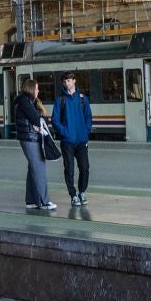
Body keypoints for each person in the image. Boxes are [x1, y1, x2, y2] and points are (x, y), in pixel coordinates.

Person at [51, 72, 93, 206]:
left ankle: (82, 191)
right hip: (67, 141)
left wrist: (85, 132)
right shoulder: (60, 100)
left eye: (69, 81)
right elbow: (55, 120)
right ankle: (73, 195)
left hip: (81, 140)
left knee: (85, 167)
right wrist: (65, 133)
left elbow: (88, 117)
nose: (66, 83)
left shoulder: (83, 99)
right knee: (69, 169)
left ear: (74, 81)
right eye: (64, 81)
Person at [15, 75, 56, 210]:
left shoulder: (28, 101)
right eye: (37, 88)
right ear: (31, 89)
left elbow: (43, 120)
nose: (38, 91)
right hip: (29, 138)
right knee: (39, 168)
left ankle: (31, 201)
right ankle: (44, 201)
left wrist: (40, 121)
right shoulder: (24, 101)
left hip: (31, 137)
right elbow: (37, 119)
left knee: (33, 168)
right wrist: (39, 122)